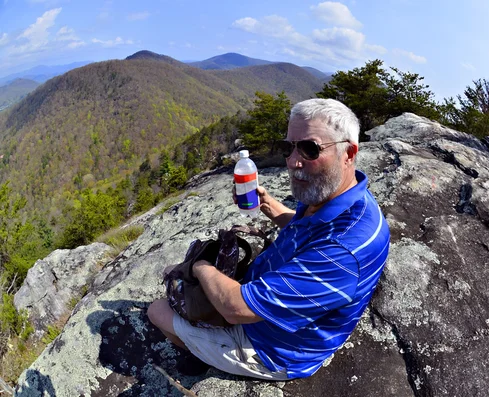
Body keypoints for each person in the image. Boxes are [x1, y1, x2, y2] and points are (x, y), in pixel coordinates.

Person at [148, 98, 390, 380]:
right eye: (288, 147)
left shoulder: (343, 250)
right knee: (177, 276)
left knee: (158, 310)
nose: (293, 162)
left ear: (349, 153)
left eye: (310, 149)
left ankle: (201, 356)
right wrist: (270, 206)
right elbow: (310, 231)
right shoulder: (341, 198)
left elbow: (235, 309)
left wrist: (201, 267)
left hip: (273, 347)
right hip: (274, 309)